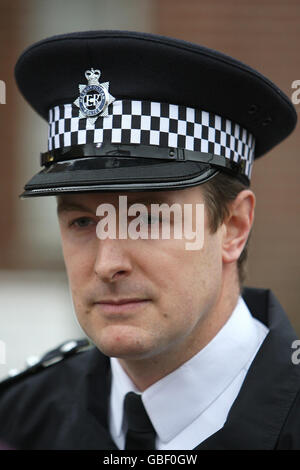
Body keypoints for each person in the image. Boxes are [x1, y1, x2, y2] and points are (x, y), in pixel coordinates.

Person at [0, 30, 299, 451]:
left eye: (150, 219)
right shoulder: (18, 421)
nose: (107, 264)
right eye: (83, 222)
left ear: (233, 226)